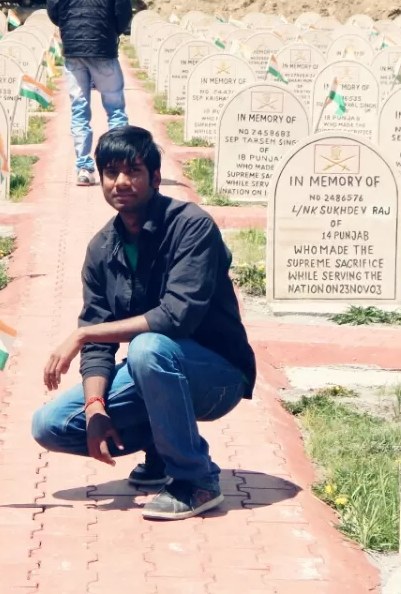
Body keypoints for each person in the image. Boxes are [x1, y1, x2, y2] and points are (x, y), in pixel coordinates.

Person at [31, 126, 257, 521]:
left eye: (133, 171)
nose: (121, 182)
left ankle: (195, 481)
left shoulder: (191, 225)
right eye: (110, 172)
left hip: (218, 378)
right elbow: (100, 341)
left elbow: (175, 317)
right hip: (154, 370)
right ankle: (161, 449)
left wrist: (82, 334)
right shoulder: (103, 248)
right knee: (52, 424)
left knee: (148, 347)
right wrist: (96, 405)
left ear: (154, 177)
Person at [47, 0, 133, 187]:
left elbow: (53, 10)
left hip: (74, 50)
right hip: (103, 48)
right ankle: (119, 165)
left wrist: (70, 29)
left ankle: (84, 169)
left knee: (79, 109)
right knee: (115, 107)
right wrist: (113, 33)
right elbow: (122, 11)